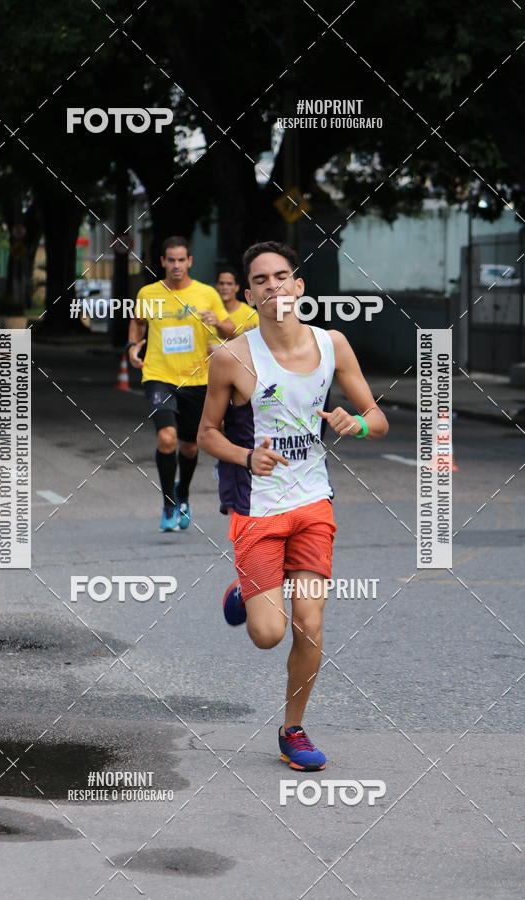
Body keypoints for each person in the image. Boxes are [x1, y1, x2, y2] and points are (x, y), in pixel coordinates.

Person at [198, 241, 389, 772]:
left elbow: (378, 418)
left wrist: (358, 422)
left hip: (312, 503)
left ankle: (293, 729)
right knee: (268, 634)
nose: (274, 287)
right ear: (249, 295)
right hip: (257, 508)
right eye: (261, 280)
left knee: (309, 624)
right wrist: (244, 456)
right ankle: (245, 590)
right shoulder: (232, 357)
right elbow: (207, 434)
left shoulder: (333, 345)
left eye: (282, 276)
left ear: (299, 286)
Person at [128, 236, 235, 532]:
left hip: (198, 379)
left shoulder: (207, 294)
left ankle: (183, 493)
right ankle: (167, 504)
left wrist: (217, 321)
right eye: (170, 260)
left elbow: (230, 330)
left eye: (181, 260)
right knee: (166, 438)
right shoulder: (148, 293)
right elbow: (137, 322)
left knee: (189, 447)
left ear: (190, 261)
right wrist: (132, 346)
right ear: (162, 262)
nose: (176, 265)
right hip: (158, 375)